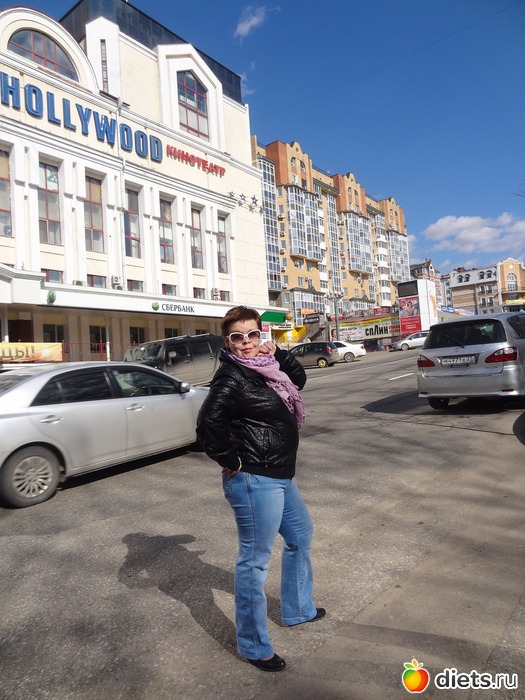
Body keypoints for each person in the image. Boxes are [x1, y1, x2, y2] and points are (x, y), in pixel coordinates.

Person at [196, 305, 325, 672]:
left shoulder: (266, 366)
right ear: (228, 342)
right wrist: (232, 459)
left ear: (260, 334)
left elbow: (297, 381)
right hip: (255, 479)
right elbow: (207, 423)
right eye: (238, 337)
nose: (247, 342)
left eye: (252, 334)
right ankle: (253, 645)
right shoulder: (231, 377)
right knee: (254, 561)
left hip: (280, 474)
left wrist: (280, 353)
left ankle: (298, 609)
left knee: (300, 534)